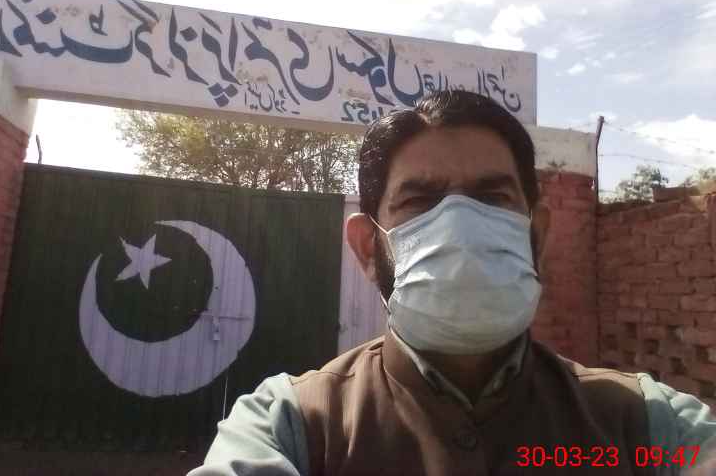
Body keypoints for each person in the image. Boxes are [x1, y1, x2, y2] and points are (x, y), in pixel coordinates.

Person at [190, 90, 716, 475]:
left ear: (538, 235)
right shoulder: (289, 427)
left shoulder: (650, 424)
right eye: (419, 201)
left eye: (492, 198)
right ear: (368, 248)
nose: (460, 228)